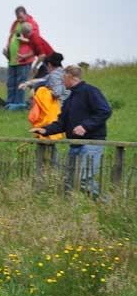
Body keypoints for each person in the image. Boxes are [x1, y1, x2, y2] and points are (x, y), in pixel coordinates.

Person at [30, 65, 112, 198]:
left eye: (63, 77)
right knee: (69, 182)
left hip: (92, 143)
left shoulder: (91, 91)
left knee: (84, 180)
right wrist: (45, 130)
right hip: (74, 145)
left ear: (70, 76)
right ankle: (66, 212)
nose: (62, 81)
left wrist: (85, 126)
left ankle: (107, 205)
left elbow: (105, 111)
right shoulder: (70, 98)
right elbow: (62, 123)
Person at [3, 6, 39, 109]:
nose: (19, 19)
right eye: (17, 17)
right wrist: (7, 48)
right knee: (10, 83)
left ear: (25, 14)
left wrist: (23, 40)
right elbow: (11, 37)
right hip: (12, 59)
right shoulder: (15, 23)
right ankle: (9, 104)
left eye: (21, 17)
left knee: (21, 83)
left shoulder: (32, 24)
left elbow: (35, 41)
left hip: (24, 59)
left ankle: (18, 105)